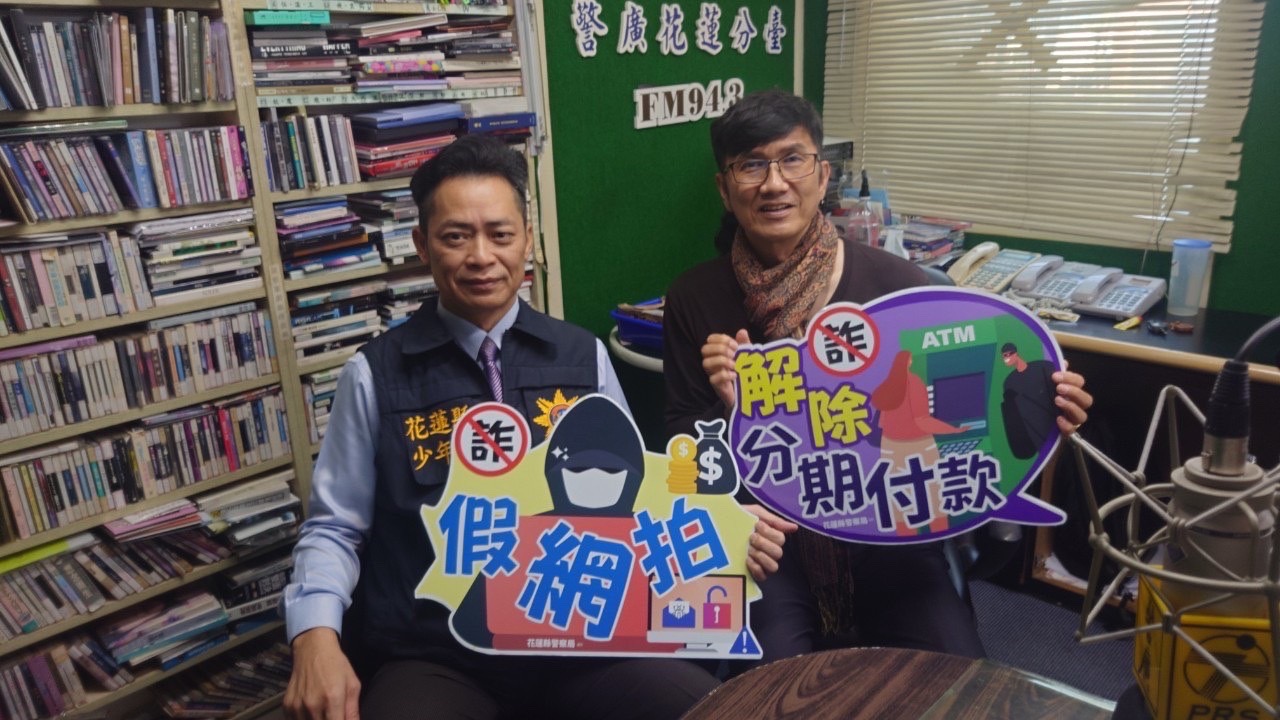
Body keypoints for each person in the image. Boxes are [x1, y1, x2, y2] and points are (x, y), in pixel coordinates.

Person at [282, 135, 719, 720]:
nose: (481, 256)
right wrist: (313, 636)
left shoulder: (582, 356)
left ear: (527, 240)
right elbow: (336, 528)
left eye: (500, 234)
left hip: (579, 642)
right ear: (422, 245)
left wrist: (730, 533)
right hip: (439, 654)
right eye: (456, 237)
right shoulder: (374, 374)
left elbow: (638, 502)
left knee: (704, 705)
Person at [663, 89, 1093, 665]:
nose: (774, 183)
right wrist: (729, 416)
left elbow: (961, 417)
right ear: (724, 187)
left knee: (952, 675)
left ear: (823, 174)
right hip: (769, 538)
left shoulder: (904, 290)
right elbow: (680, 450)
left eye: (792, 159)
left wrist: (1042, 405)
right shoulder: (695, 297)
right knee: (772, 686)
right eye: (751, 166)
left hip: (890, 526)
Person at [870, 349, 968, 534]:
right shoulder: (914, 382)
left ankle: (909, 545)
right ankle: (941, 540)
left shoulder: (888, 384)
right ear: (908, 362)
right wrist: (953, 430)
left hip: (891, 448)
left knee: (900, 504)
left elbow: (882, 423)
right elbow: (922, 421)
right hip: (920, 447)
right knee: (934, 499)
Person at [1000, 341, 1060, 459]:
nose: (1006, 359)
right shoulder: (1009, 381)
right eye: (1004, 357)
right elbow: (1013, 413)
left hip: (1051, 422)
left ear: (1015, 354)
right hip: (1032, 430)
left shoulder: (1043, 366)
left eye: (1007, 355)